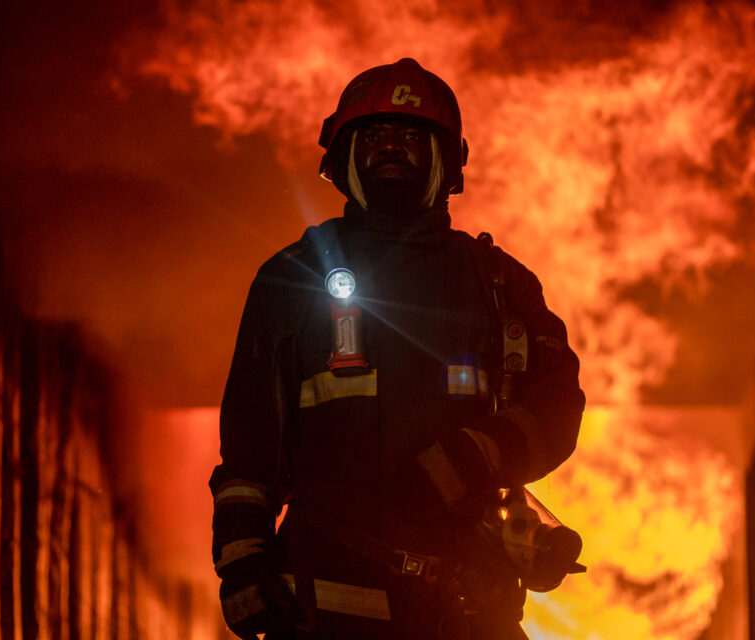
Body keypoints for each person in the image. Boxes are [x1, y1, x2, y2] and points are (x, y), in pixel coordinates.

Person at [210, 57, 586, 640]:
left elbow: (558, 406)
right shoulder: (293, 280)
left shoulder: (500, 286)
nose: (391, 148)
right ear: (342, 159)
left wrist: (472, 455)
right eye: (375, 136)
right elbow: (249, 446)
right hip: (323, 619)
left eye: (411, 136)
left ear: (448, 160)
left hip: (468, 616)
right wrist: (241, 564)